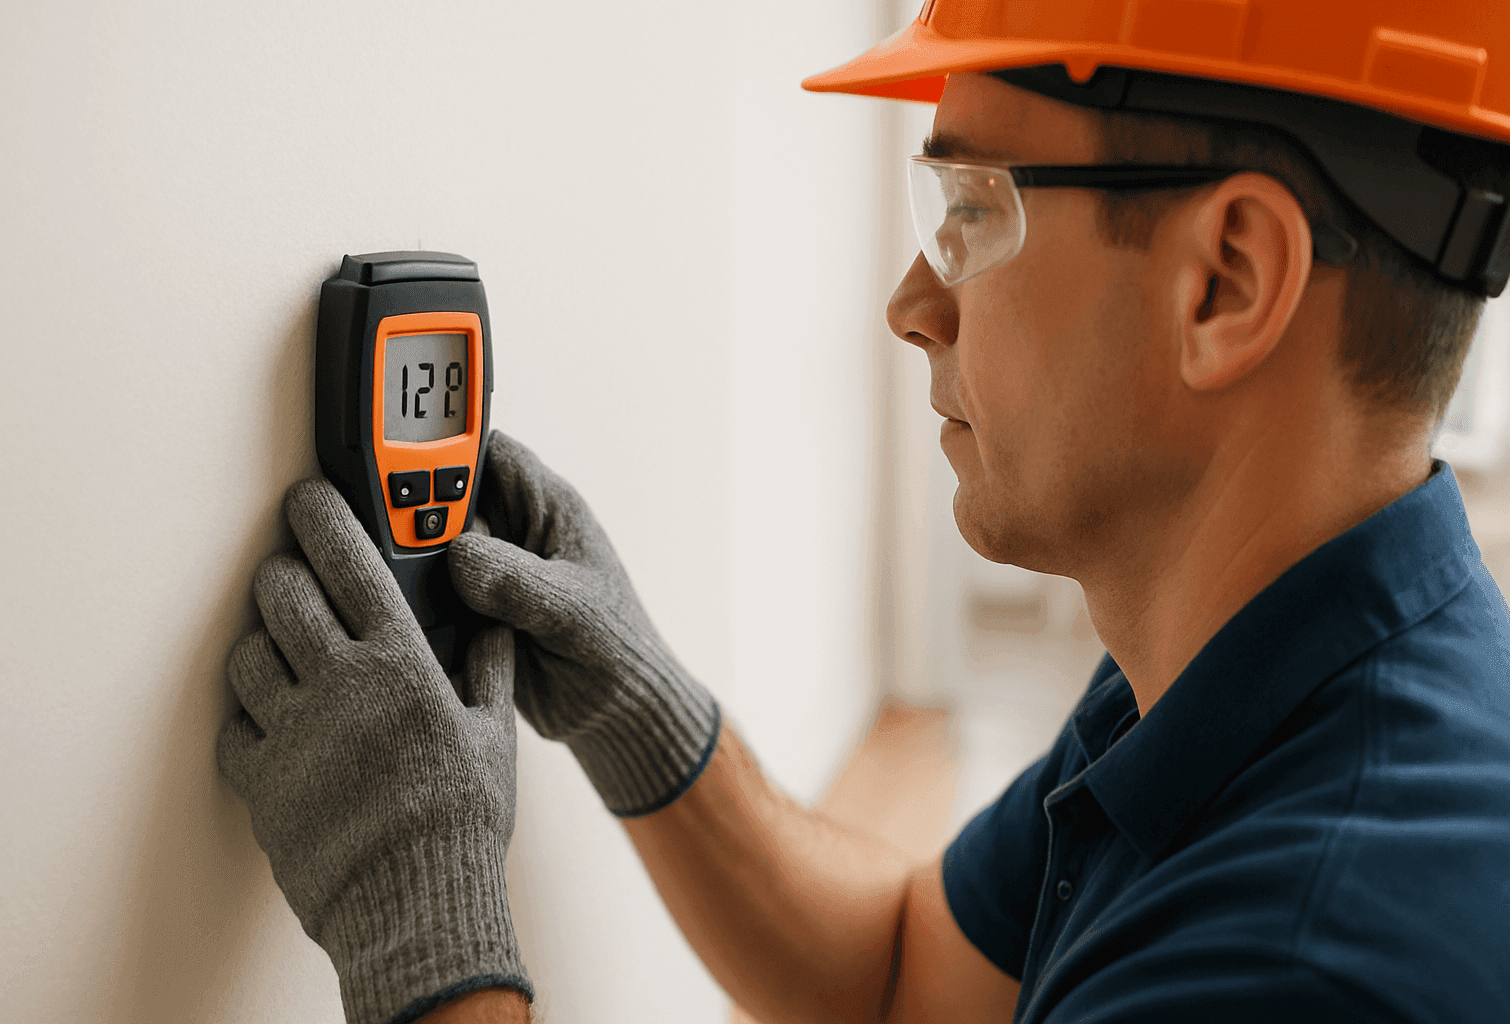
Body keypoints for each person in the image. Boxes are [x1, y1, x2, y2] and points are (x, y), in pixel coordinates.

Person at [217, 1, 1510, 1022]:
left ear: (1226, 282)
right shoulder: (1265, 669)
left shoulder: (1306, 967)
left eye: (970, 210)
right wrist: (638, 705)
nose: (910, 301)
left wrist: (427, 930)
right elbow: (902, 984)